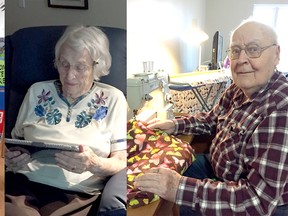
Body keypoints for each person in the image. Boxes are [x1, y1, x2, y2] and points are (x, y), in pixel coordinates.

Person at [134, 20, 288, 216]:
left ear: (276, 55)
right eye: (235, 51)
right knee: (154, 173)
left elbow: (257, 201)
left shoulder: (280, 110)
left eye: (253, 49)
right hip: (216, 168)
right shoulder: (238, 87)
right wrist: (174, 125)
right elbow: (212, 119)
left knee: (169, 195)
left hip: (248, 198)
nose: (241, 59)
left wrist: (178, 188)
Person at [5, 25, 127, 216]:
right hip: (22, 186)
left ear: (97, 65)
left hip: (77, 193)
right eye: (64, 64)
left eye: (80, 67)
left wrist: (93, 163)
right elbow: (14, 142)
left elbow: (121, 160)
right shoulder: (36, 91)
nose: (69, 75)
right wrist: (10, 158)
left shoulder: (113, 99)